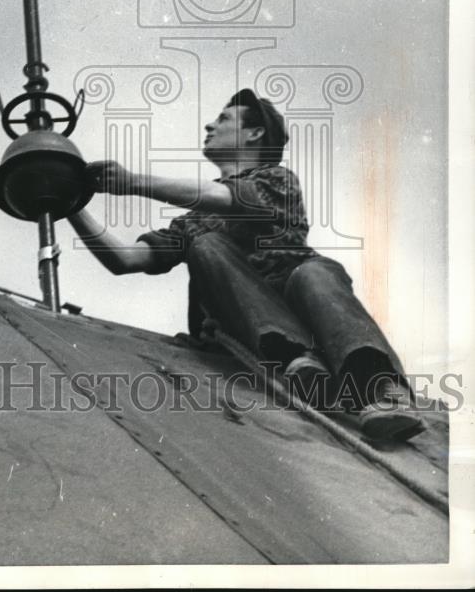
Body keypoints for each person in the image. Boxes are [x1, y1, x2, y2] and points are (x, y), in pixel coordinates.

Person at [68, 88, 423, 442]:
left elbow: (228, 198)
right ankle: (297, 363)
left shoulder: (275, 181)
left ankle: (379, 387)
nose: (209, 125)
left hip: (305, 310)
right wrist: (69, 203)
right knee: (206, 244)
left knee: (315, 272)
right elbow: (125, 259)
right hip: (247, 334)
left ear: (254, 133)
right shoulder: (195, 224)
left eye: (223, 119)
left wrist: (134, 182)